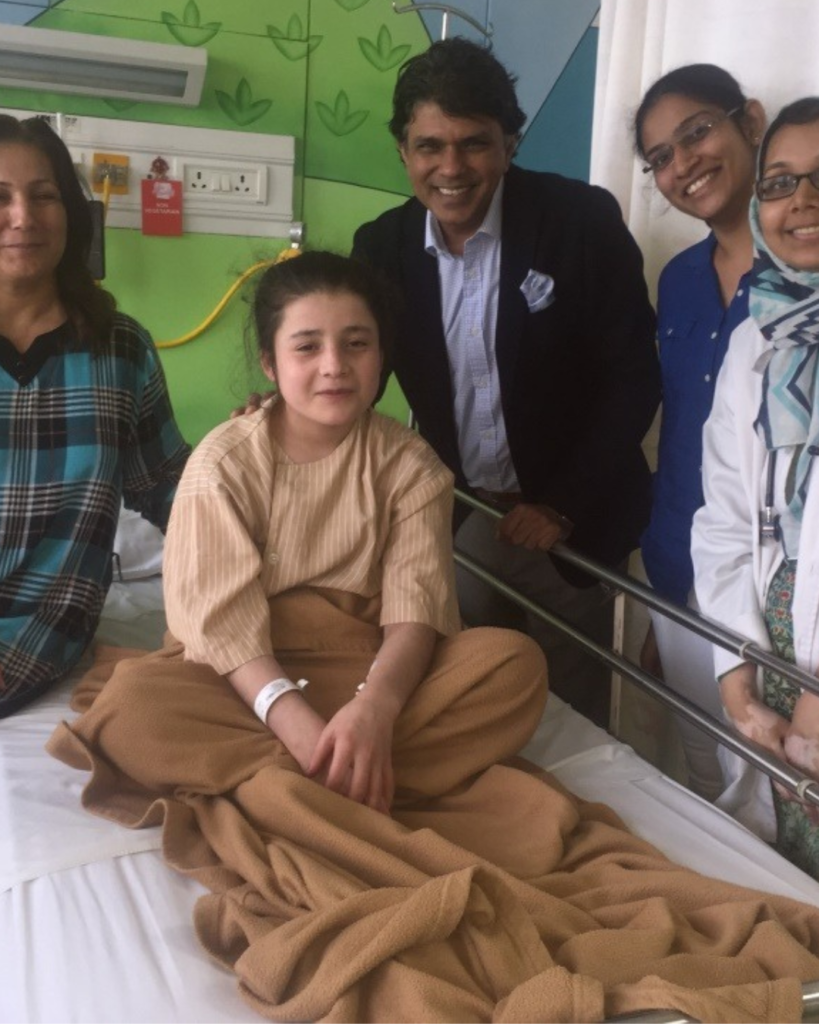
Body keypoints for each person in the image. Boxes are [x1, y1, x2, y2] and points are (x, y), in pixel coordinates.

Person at [47, 252, 819, 1022]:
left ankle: (308, 780)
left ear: (382, 355)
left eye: (356, 343)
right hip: (248, 679)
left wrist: (374, 711)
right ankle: (327, 774)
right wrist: (298, 720)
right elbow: (219, 626)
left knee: (511, 665)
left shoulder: (409, 465)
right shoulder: (224, 463)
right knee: (139, 703)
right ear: (270, 363)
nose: (333, 365)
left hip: (368, 668)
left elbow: (413, 609)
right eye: (307, 346)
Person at [352, 37, 660, 729]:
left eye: (474, 144)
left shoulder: (580, 222)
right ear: (403, 151)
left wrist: (562, 507)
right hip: (465, 513)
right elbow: (357, 373)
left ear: (509, 144)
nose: (450, 168)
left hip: (570, 525)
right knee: (469, 691)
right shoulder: (382, 248)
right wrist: (286, 416)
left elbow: (633, 377)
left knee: (574, 714)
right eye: (429, 147)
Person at [0, 114, 189, 717]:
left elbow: (172, 490)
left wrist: (256, 452)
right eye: (0, 197)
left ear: (72, 214)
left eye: (44, 195)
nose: (23, 217)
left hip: (49, 634)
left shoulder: (120, 350)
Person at [633, 65, 767, 806]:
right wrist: (664, 604)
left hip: (772, 582)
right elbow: (681, 426)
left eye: (697, 132)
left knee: (775, 786)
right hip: (677, 563)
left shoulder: (802, 272)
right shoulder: (679, 278)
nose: (682, 163)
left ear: (750, 121)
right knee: (701, 771)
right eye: (660, 157)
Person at [692, 97, 819, 876]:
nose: (800, 200)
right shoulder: (754, 338)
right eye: (778, 182)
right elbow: (724, 518)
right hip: (769, 650)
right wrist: (738, 685)